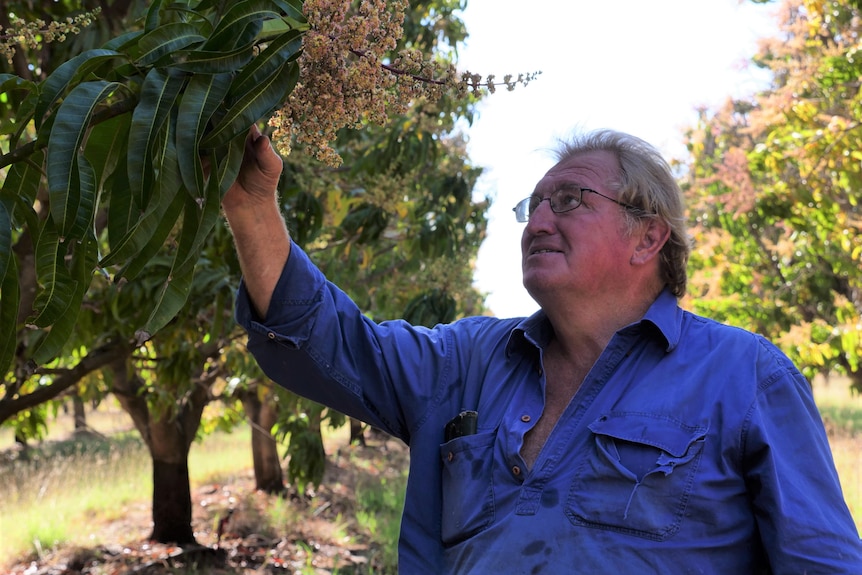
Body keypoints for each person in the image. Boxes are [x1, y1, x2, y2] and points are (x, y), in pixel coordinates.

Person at [223, 124, 862, 573]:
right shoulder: (466, 361)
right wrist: (252, 207)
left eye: (569, 202)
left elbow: (821, 563)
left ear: (647, 238)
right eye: (532, 206)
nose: (538, 222)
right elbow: (331, 344)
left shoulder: (746, 378)